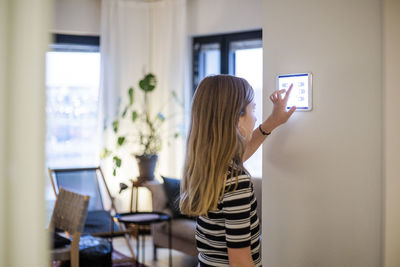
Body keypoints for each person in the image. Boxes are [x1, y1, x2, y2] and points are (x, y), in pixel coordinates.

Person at [180, 75, 296, 267]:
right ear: (236, 117)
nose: (256, 116)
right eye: (253, 109)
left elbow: (237, 156)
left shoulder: (205, 167)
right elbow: (240, 262)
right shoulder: (237, 183)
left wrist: (272, 122)